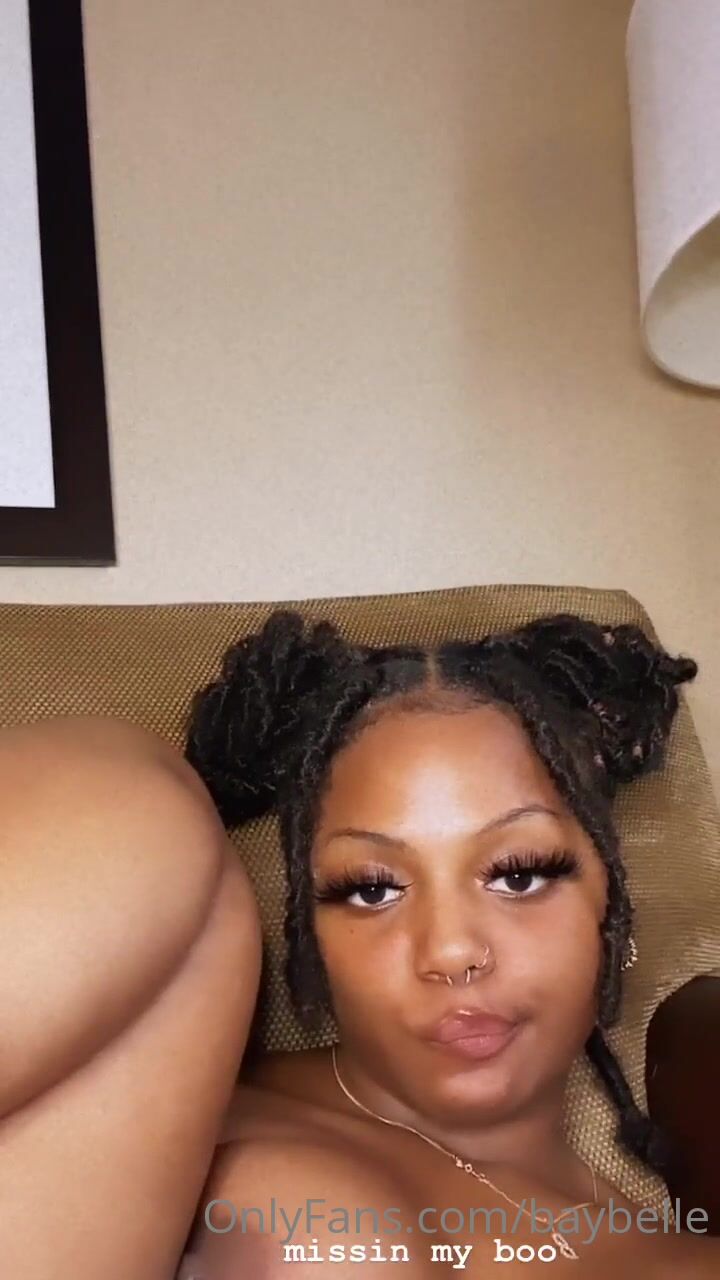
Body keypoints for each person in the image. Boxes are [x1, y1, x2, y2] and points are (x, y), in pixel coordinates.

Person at [0, 611, 715, 1279]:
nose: (452, 951)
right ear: (311, 941)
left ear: (612, 912)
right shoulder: (164, 1093)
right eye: (372, 890)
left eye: (519, 875)